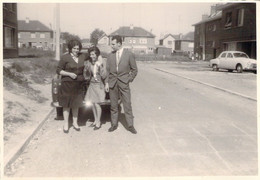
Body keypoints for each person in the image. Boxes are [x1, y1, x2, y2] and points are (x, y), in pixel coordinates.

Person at [105, 35, 138, 134]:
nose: (112, 46)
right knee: (113, 106)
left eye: (113, 44)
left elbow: (134, 70)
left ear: (119, 44)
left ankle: (130, 125)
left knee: (127, 105)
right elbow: (107, 71)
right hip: (112, 84)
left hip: (124, 83)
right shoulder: (110, 55)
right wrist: (107, 83)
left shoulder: (129, 54)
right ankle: (114, 125)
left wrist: (129, 79)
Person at [56, 39, 86, 133]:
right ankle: (66, 124)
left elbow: (95, 54)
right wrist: (69, 74)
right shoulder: (65, 57)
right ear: (70, 48)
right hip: (67, 84)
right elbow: (58, 70)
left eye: (78, 48)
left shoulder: (82, 56)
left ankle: (75, 123)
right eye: (74, 48)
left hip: (78, 85)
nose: (76, 50)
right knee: (67, 104)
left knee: (76, 104)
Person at [83, 46, 106, 130]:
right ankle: (95, 120)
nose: (92, 56)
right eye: (91, 54)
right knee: (92, 103)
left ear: (97, 55)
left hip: (99, 84)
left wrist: (100, 67)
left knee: (97, 104)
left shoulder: (100, 63)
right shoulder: (89, 63)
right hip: (92, 84)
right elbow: (86, 74)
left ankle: (98, 122)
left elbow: (104, 75)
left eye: (94, 54)